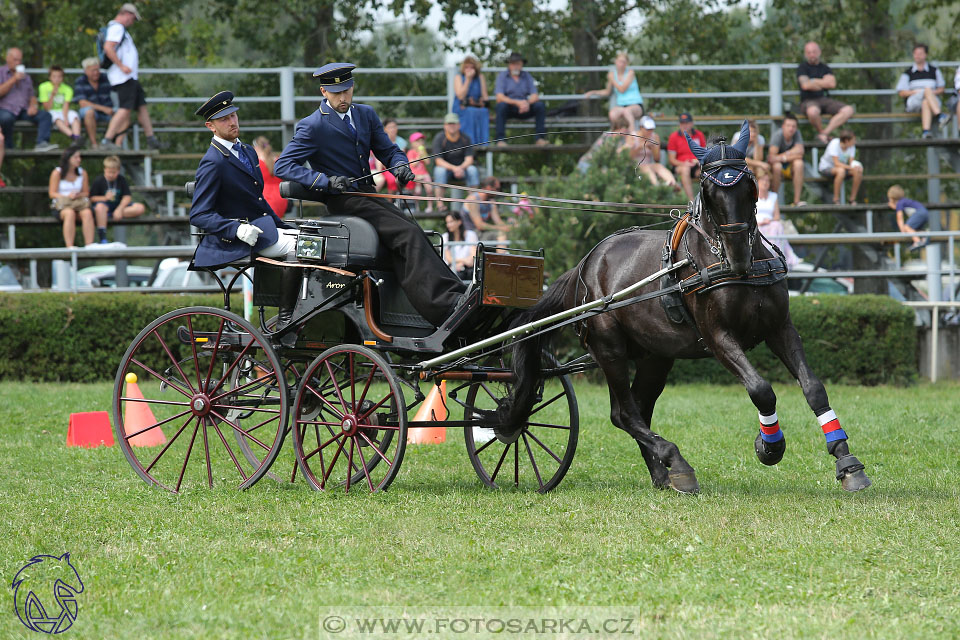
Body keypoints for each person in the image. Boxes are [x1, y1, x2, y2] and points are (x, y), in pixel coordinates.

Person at [274, 63, 466, 327]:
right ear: (323, 92)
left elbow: (388, 150)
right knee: (407, 234)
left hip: (369, 195)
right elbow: (283, 166)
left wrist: (400, 164)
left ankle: (455, 295)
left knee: (416, 231)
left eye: (346, 91)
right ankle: (443, 308)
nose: (343, 98)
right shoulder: (313, 125)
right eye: (336, 93)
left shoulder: (365, 115)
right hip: (344, 200)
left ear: (352, 88)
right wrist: (325, 181)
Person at [191, 91, 299, 342]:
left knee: (312, 239)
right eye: (224, 119)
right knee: (303, 248)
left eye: (233, 115)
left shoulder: (248, 151)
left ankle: (298, 315)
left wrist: (283, 225)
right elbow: (198, 214)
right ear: (211, 126)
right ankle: (286, 320)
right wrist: (235, 229)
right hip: (238, 239)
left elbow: (257, 200)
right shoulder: (213, 162)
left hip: (263, 228)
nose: (232, 122)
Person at [100, 3, 162, 150]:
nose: (132, 22)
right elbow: (108, 48)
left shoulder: (119, 29)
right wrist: (121, 66)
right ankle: (107, 140)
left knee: (141, 106)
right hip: (123, 77)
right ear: (126, 14)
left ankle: (151, 138)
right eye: (133, 19)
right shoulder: (116, 28)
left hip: (130, 77)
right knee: (124, 109)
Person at [796, 41, 855, 144]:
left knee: (848, 110)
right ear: (805, 54)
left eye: (814, 52)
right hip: (808, 101)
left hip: (825, 100)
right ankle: (822, 133)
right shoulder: (802, 68)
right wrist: (823, 82)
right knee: (812, 112)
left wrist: (813, 81)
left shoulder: (825, 68)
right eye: (809, 52)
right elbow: (805, 85)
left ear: (819, 52)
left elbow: (832, 84)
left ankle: (824, 134)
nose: (812, 55)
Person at [0, 47, 56, 151]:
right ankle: (8, 147)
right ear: (7, 58)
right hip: (5, 109)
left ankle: (42, 144)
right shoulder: (1, 72)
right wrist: (14, 79)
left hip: (24, 110)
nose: (18, 62)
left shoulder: (26, 77)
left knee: (46, 116)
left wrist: (33, 105)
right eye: (15, 59)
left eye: (20, 60)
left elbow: (32, 95)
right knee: (5, 118)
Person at [494, 52, 548, 146]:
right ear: (509, 65)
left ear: (521, 64)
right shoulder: (502, 76)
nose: (515, 66)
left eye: (518, 64)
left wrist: (526, 103)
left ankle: (540, 138)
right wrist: (516, 103)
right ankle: (500, 140)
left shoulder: (527, 76)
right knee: (501, 106)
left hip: (525, 107)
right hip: (509, 108)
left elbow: (535, 95)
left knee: (540, 106)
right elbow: (499, 97)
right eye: (513, 64)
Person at [583, 52, 644, 134]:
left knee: (627, 111)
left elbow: (622, 89)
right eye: (620, 61)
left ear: (627, 64)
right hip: (622, 106)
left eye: (624, 62)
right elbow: (607, 92)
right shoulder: (613, 74)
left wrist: (612, 79)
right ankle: (616, 136)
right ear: (615, 61)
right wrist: (593, 92)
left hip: (635, 105)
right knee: (612, 114)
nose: (621, 64)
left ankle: (633, 135)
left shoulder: (630, 73)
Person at [896, 43, 947, 139]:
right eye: (915, 53)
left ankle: (926, 131)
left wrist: (930, 93)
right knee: (927, 90)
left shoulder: (934, 71)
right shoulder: (908, 73)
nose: (917, 56)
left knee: (926, 101)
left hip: (930, 102)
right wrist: (917, 92)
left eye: (920, 53)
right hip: (914, 102)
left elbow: (942, 88)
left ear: (925, 55)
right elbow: (901, 92)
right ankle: (940, 116)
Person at [89, 154, 145, 243]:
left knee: (140, 208)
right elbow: (92, 198)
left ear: (118, 171)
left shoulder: (121, 179)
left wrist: (119, 209)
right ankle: (102, 235)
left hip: (119, 207)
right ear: (104, 169)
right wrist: (105, 198)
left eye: (113, 172)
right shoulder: (99, 180)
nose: (111, 175)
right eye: (108, 172)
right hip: (104, 207)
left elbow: (127, 197)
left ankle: (113, 214)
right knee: (100, 208)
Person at [48, 146, 93, 247]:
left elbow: (86, 192)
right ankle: (70, 246)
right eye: (76, 157)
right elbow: (52, 193)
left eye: (79, 157)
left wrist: (78, 195)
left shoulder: (83, 173)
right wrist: (67, 196)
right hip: (63, 205)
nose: (79, 160)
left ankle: (90, 245)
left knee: (87, 213)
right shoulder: (57, 173)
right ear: (68, 158)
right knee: (69, 213)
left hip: (78, 204)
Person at [754, 166, 799, 268]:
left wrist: (768, 221)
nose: (765, 183)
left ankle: (775, 254)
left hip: (770, 223)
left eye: (767, 180)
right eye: (763, 180)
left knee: (776, 225)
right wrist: (760, 222)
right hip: (757, 224)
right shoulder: (753, 197)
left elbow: (777, 216)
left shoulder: (773, 196)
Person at [432, 112, 479, 203]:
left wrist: (460, 168)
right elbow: (438, 161)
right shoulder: (439, 138)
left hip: (463, 169)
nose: (452, 126)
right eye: (449, 124)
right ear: (445, 125)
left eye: (454, 123)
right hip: (447, 170)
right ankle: (439, 203)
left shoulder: (466, 138)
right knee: (439, 171)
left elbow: (469, 159)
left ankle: (473, 202)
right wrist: (455, 169)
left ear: (459, 125)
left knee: (472, 170)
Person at [74, 58, 114, 149]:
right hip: (93, 112)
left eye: (97, 69)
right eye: (93, 70)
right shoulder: (80, 81)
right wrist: (103, 109)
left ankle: (113, 143)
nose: (96, 72)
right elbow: (82, 103)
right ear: (86, 71)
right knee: (89, 112)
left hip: (108, 111)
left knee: (123, 113)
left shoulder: (106, 78)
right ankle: (94, 144)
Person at [767, 113, 806, 206]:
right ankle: (774, 202)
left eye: (793, 126)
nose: (791, 129)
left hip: (790, 167)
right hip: (777, 168)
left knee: (799, 163)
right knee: (777, 166)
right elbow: (771, 158)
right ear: (783, 126)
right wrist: (791, 153)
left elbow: (800, 154)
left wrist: (783, 156)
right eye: (788, 125)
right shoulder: (777, 136)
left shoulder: (797, 134)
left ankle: (797, 201)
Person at [37, 65, 82, 144]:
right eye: (54, 76)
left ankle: (77, 136)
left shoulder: (68, 89)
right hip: (51, 111)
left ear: (62, 78)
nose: (57, 79)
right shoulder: (43, 87)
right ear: (50, 77)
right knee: (56, 118)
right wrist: (52, 95)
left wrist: (66, 119)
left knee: (74, 116)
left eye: (59, 77)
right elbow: (46, 108)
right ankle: (74, 137)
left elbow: (66, 105)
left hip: (63, 111)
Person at [667, 112, 706, 201]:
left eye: (686, 123)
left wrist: (696, 161)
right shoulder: (673, 137)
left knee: (707, 172)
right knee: (685, 169)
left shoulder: (699, 135)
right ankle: (691, 202)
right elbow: (672, 160)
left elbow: (704, 154)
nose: (684, 125)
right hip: (680, 166)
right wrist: (684, 163)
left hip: (697, 165)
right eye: (682, 123)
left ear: (691, 123)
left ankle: (706, 201)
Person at [452, 55, 490, 145]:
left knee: (484, 112)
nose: (469, 69)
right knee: (470, 112)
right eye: (466, 67)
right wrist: (468, 80)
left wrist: (485, 104)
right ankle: (470, 144)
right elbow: (460, 96)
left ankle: (483, 144)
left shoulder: (480, 77)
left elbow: (485, 96)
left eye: (471, 67)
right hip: (462, 107)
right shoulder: (459, 77)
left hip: (476, 106)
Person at [818, 130, 863, 204]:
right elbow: (836, 163)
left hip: (842, 168)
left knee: (858, 172)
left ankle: (852, 199)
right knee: (840, 171)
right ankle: (836, 199)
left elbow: (851, 163)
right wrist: (851, 167)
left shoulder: (851, 147)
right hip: (826, 168)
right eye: (853, 140)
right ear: (846, 141)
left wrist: (857, 167)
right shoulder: (834, 144)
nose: (854, 142)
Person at [633, 116, 677, 188]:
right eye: (648, 129)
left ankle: (672, 183)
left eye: (651, 129)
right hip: (634, 166)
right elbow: (628, 156)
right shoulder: (632, 136)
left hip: (648, 165)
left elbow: (657, 159)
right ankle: (656, 186)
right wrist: (641, 146)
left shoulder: (655, 137)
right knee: (645, 168)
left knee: (658, 166)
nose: (650, 131)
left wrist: (654, 148)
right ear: (641, 127)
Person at [463, 175, 510, 242]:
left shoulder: (491, 202)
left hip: (482, 234)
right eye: (497, 189)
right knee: (501, 235)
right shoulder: (473, 199)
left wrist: (510, 228)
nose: (498, 192)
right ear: (488, 188)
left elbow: (498, 221)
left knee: (509, 235)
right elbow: (479, 225)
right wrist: (500, 228)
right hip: (471, 234)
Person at [252, 136, 288, 217]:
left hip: (265, 197)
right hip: (280, 196)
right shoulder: (277, 160)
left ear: (256, 147)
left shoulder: (257, 163)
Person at [887, 184, 931, 251]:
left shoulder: (900, 203)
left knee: (907, 227)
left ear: (892, 198)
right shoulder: (904, 201)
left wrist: (903, 231)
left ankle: (917, 241)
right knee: (913, 230)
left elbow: (899, 217)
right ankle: (924, 234)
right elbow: (898, 208)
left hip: (919, 212)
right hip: (924, 212)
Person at [442, 212, 478, 281]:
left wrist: (462, 264)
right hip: (451, 268)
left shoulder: (471, 235)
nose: (448, 225)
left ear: (459, 222)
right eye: (447, 222)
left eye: (451, 222)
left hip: (467, 267)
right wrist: (463, 261)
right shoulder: (445, 237)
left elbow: (473, 255)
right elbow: (449, 259)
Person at [405, 131, 435, 210]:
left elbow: (428, 162)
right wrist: (419, 156)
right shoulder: (411, 152)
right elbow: (412, 164)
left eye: (422, 141)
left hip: (424, 173)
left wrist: (423, 154)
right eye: (417, 141)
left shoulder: (423, 151)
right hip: (415, 174)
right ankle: (416, 206)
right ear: (412, 143)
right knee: (417, 191)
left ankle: (430, 206)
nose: (420, 143)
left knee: (429, 189)